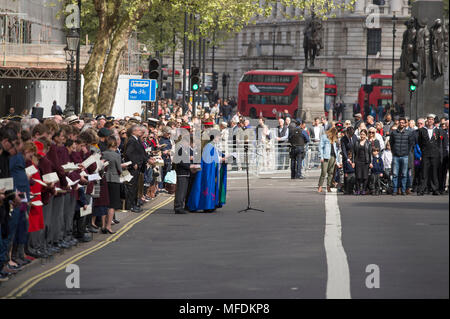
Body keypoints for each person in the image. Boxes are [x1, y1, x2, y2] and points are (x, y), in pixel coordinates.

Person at [187, 132, 227, 212]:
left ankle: (210, 204)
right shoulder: (209, 146)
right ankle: (207, 205)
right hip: (208, 171)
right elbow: (209, 160)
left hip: (210, 170)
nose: (219, 139)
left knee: (208, 187)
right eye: (218, 137)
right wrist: (221, 159)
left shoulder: (211, 145)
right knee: (207, 187)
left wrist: (223, 157)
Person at [102, 136, 125, 233]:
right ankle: (108, 226)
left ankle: (102, 225)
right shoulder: (116, 155)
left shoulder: (103, 154)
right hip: (114, 180)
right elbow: (119, 169)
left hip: (104, 179)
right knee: (112, 204)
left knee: (104, 203)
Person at [417, 114, 443, 195]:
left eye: (432, 119)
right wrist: (423, 150)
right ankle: (422, 190)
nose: (430, 121)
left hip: (435, 154)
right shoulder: (422, 130)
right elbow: (420, 142)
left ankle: (435, 189)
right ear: (427, 120)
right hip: (425, 154)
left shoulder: (438, 130)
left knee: (434, 173)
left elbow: (439, 142)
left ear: (434, 120)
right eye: (429, 119)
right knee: (424, 173)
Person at [389, 117, 414, 196]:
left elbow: (411, 144)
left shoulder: (409, 133)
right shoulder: (393, 132)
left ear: (405, 124)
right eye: (400, 122)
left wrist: (407, 151)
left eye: (403, 122)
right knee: (395, 174)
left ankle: (403, 190)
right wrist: (394, 151)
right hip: (396, 156)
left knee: (404, 174)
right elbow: (391, 142)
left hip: (405, 156)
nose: (402, 124)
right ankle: (395, 190)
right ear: (398, 123)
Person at [318, 127, 341, 193]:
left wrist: (337, 161)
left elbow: (337, 150)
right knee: (324, 172)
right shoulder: (324, 137)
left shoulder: (335, 139)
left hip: (333, 156)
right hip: (326, 156)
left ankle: (328, 186)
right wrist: (321, 156)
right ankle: (320, 186)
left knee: (331, 172)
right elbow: (321, 147)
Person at [353, 129, 371, 195]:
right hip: (358, 161)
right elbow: (353, 153)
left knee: (365, 177)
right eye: (361, 134)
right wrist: (353, 162)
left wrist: (370, 162)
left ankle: (363, 189)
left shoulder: (368, 143)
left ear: (366, 135)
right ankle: (358, 190)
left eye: (363, 134)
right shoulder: (357, 142)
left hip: (366, 161)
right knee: (358, 176)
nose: (362, 136)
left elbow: (370, 153)